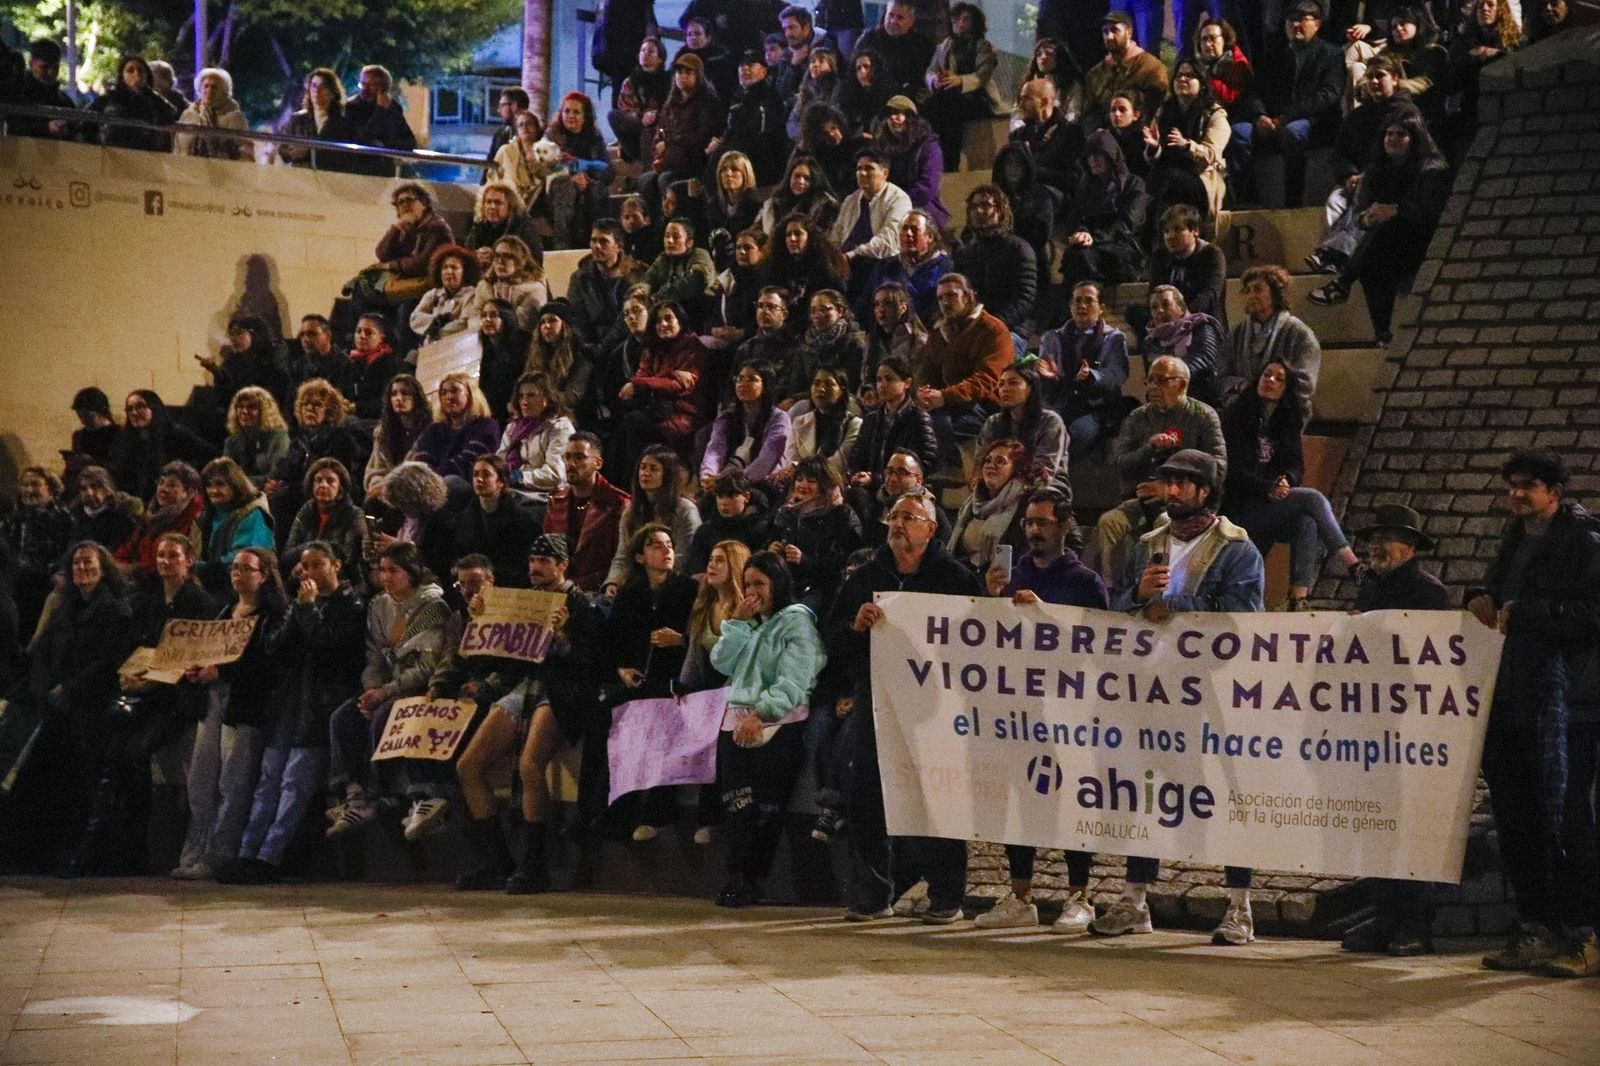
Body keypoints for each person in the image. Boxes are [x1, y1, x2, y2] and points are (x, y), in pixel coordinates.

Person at [1096, 450, 1264, 942]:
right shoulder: (1146, 544)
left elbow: (1241, 616)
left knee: (1225, 793)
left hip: (1213, 692)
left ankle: (1240, 903)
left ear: (1205, 491)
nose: (1171, 492)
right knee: (1145, 790)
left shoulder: (1237, 549)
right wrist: (1135, 596)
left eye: (1183, 484)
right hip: (1152, 688)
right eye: (1167, 483)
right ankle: (1134, 897)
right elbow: (1119, 610)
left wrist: (1171, 603)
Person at [1468, 451, 1600, 978]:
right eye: (1512, 487)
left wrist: (1534, 614)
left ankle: (1585, 934)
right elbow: (1497, 590)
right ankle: (1538, 924)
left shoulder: (1584, 542)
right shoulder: (1516, 537)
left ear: (1554, 491)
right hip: (1514, 698)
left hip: (1570, 707)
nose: (1517, 495)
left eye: (1528, 487)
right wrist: (1480, 596)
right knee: (1518, 815)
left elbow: (1593, 617)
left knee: (1571, 821)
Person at [828, 488, 982, 920]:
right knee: (867, 799)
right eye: (894, 516)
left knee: (939, 796)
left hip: (938, 710)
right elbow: (833, 640)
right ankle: (874, 894)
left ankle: (947, 895)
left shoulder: (954, 578)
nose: (897, 524)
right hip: (877, 704)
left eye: (909, 518)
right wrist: (854, 626)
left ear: (931, 529)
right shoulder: (864, 577)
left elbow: (980, 640)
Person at [975, 488, 1107, 931]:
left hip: (1069, 710)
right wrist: (991, 599)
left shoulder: (1085, 582)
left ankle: (1079, 894)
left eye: (1042, 523)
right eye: (1029, 523)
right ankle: (1020, 895)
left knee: (1070, 799)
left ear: (1065, 526)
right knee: (1020, 797)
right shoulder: (1011, 575)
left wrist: (1045, 614)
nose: (1033, 531)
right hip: (1020, 708)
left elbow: (1102, 644)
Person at [451, 534, 606, 892]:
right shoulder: (522, 601)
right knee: (468, 766)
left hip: (560, 692)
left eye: (544, 561)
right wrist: (479, 621)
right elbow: (497, 658)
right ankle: (498, 859)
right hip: (524, 687)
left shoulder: (581, 603)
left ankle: (535, 865)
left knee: (529, 764)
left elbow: (592, 662)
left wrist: (565, 636)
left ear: (562, 565)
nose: (535, 568)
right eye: (532, 561)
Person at [1337, 505, 1451, 955]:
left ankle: (1413, 922)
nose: (1375, 547)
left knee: (1410, 821)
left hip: (1411, 728)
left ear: (1410, 547)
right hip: (1371, 724)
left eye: (1387, 537)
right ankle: (1386, 914)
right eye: (1373, 537)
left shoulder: (1429, 593)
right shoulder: (1371, 588)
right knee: (1377, 819)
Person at [67, 533, 214, 876]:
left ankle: (135, 845)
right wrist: (132, 676)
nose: (165, 562)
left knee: (135, 753)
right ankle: (117, 845)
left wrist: (150, 681)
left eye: (173, 555)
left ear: (188, 560)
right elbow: (138, 647)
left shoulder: (201, 603)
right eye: (161, 555)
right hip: (148, 694)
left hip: (177, 697)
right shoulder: (149, 603)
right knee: (113, 749)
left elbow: (189, 656)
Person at [221, 541, 365, 883]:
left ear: (336, 566)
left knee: (294, 784)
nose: (310, 572)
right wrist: (299, 611)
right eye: (305, 566)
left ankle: (270, 857)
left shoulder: (352, 605)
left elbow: (329, 648)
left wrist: (307, 610)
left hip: (320, 706)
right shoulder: (300, 604)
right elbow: (276, 648)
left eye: (318, 565)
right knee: (268, 780)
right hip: (289, 704)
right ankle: (247, 852)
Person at [5, 542, 133, 874]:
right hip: (55, 706)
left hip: (88, 706)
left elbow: (107, 661)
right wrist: (44, 687)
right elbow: (44, 652)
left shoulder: (116, 611)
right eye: (76, 563)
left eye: (89, 563)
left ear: (103, 568)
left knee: (79, 782)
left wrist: (70, 688)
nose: (82, 569)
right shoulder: (63, 608)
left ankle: (73, 853)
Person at [708, 551, 828, 905]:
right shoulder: (752, 623)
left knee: (764, 810)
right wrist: (739, 624)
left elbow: (796, 678)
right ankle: (736, 875)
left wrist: (762, 713)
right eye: (747, 584)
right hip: (734, 723)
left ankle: (749, 879)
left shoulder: (796, 623)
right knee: (736, 805)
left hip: (776, 726)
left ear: (778, 584)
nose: (752, 591)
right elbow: (722, 663)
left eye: (760, 583)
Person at [324, 542, 453, 841]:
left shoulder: (432, 606)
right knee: (343, 717)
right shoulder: (379, 605)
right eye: (382, 570)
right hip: (385, 686)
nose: (386, 576)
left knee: (385, 716)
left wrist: (386, 692)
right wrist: (371, 690)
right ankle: (355, 794)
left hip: (418, 688)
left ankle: (380, 793)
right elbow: (374, 655)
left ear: (411, 572)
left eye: (394, 570)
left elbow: (427, 665)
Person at [173, 545, 288, 879]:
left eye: (246, 569)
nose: (238, 574)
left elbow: (265, 665)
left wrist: (221, 672)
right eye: (235, 567)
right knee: (200, 778)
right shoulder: (226, 610)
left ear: (264, 575)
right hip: (215, 701)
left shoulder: (271, 616)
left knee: (233, 782)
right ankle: (197, 849)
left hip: (245, 705)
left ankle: (221, 854)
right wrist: (198, 668)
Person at [1221, 360, 1359, 607]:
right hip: (1240, 506)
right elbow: (1232, 471)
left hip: (1269, 504)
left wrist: (1286, 479)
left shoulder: (1287, 421)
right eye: (1267, 375)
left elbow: (1296, 465)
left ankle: (1298, 599)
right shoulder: (1235, 416)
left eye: (1279, 378)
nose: (1270, 381)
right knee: (1312, 499)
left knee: (1306, 522)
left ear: (1286, 388)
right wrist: (1268, 488)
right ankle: (1353, 564)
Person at [1308, 111, 1450, 343]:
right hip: (1385, 242)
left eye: (1400, 134)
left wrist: (1396, 210)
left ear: (1414, 138)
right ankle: (1382, 334)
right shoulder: (1376, 170)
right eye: (1389, 134)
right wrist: (1368, 218)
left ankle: (1343, 282)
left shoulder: (1432, 168)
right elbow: (1359, 216)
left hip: (1422, 237)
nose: (1392, 139)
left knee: (1385, 233)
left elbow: (1432, 210)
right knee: (1375, 261)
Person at [1090, 356, 1226, 583]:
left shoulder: (1203, 416)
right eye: (1149, 381)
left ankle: (1164, 593)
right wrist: (1148, 448)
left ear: (1181, 384)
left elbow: (1218, 468)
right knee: (1109, 522)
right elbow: (1121, 464)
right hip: (1141, 501)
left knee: (1165, 523)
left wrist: (1170, 489)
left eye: (1161, 381)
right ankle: (1112, 592)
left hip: (1189, 504)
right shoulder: (1137, 418)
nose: (1153, 387)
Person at [606, 523, 699, 839]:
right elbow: (614, 641)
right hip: (638, 681)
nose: (667, 550)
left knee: (664, 717)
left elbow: (701, 636)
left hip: (675, 678)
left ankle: (658, 813)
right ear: (640, 556)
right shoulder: (629, 593)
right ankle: (620, 815)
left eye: (670, 544)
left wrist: (680, 640)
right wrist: (622, 669)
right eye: (657, 545)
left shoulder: (688, 589)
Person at [1232, 1, 1345, 208]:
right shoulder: (1274, 54)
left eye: (1303, 19)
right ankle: (1245, 199)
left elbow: (1329, 94)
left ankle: (1293, 203)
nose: (1296, 25)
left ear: (1317, 24)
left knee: (1293, 132)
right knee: (1240, 132)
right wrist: (1259, 116)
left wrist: (1287, 117)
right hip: (1273, 120)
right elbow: (1254, 90)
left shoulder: (1331, 54)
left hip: (1313, 122)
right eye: (1291, 20)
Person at [914, 273, 1015, 465]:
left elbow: (987, 380)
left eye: (951, 296)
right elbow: (926, 369)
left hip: (984, 405)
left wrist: (944, 396)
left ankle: (951, 469)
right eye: (940, 298)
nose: (945, 302)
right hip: (947, 401)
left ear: (968, 297)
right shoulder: (939, 331)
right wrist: (925, 393)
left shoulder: (993, 329)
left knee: (940, 425)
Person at [335, 184, 454, 336]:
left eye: (410, 200)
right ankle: (366, 337)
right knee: (361, 285)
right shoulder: (408, 227)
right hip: (408, 281)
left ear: (424, 204)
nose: (404, 205)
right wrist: (396, 229)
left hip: (428, 285)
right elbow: (382, 253)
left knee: (405, 307)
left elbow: (422, 264)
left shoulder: (436, 227)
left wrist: (389, 266)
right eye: (400, 202)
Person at [615, 301, 714, 469]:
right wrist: (670, 374)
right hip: (657, 410)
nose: (663, 325)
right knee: (621, 431)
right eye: (658, 321)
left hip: (685, 413)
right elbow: (643, 375)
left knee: (636, 427)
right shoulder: (651, 349)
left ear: (680, 321)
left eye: (669, 319)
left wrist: (641, 382)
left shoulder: (693, 348)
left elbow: (679, 386)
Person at [1219, 264, 1322, 420]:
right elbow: (1221, 374)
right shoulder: (1236, 333)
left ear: (1275, 293)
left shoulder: (1300, 334)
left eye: (1258, 289)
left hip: (1284, 415)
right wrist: (1243, 388)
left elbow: (1304, 385)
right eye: (1248, 290)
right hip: (1242, 410)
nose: (1251, 295)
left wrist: (1269, 393)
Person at [266, 379, 365, 536]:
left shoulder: (341, 439)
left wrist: (288, 489)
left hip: (330, 497)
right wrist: (274, 483)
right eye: (306, 404)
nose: (310, 409)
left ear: (329, 412)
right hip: (298, 495)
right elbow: (284, 470)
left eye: (317, 405)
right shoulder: (299, 439)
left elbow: (340, 482)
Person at [767, 455, 864, 613]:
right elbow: (774, 539)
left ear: (825, 484)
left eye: (811, 481)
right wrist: (772, 550)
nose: (803, 485)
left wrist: (804, 560)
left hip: (823, 592)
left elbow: (844, 563)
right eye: (799, 479)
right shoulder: (788, 513)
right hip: (788, 585)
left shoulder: (842, 514)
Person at [1058, 130, 1150, 292]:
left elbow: (1128, 223)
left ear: (1110, 155)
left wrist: (1095, 237)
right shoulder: (1085, 187)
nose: (1092, 160)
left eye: (1097, 155)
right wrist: (1081, 233)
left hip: (1121, 245)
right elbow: (1077, 217)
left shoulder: (1133, 184)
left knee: (1082, 257)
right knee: (1076, 254)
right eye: (1089, 156)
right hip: (1090, 246)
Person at [1144, 57, 1230, 226]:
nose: (1182, 79)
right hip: (1167, 173)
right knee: (1156, 180)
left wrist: (1188, 145)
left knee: (1168, 182)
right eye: (1179, 76)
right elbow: (1155, 157)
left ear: (1202, 82)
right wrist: (1154, 148)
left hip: (1200, 176)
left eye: (1189, 75)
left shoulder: (1214, 114)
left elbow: (1212, 155)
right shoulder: (1164, 111)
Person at [604, 446, 702, 594]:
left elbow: (684, 558)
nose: (645, 473)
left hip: (674, 585)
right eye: (642, 468)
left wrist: (652, 574)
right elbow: (623, 556)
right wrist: (612, 582)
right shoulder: (630, 512)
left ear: (668, 474)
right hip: (638, 584)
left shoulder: (686, 510)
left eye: (653, 468)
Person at [544, 432, 632, 593]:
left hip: (599, 590)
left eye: (579, 457)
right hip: (558, 589)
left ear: (597, 463)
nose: (571, 463)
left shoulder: (619, 503)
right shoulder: (555, 501)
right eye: (567, 457)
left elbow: (622, 557)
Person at [643, 54, 725, 217]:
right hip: (671, 161)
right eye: (679, 72)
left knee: (665, 180)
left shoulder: (707, 102)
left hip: (694, 164)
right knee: (646, 180)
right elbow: (662, 131)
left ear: (698, 76)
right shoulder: (671, 103)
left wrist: (671, 142)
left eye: (688, 73)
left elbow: (703, 137)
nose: (682, 76)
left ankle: (676, 224)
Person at [921, 3, 1000, 170]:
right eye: (957, 19)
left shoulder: (983, 46)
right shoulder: (947, 44)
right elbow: (931, 70)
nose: (959, 23)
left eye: (965, 19)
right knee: (933, 104)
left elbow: (982, 76)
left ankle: (950, 161)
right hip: (950, 95)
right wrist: (936, 80)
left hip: (977, 97)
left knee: (947, 107)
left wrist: (960, 81)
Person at [830, 151, 915, 301]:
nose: (862, 173)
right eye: (858, 168)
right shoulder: (851, 200)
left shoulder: (899, 199)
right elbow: (836, 234)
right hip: (844, 264)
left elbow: (888, 242)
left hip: (878, 265)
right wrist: (835, 256)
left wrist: (851, 256)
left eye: (869, 168)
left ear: (884, 173)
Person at [849, 357, 940, 493]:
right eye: (879, 380)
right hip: (870, 487)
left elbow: (923, 463)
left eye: (889, 379)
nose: (882, 385)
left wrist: (876, 479)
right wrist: (860, 474)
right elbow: (858, 454)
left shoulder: (919, 419)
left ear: (907, 383)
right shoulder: (871, 419)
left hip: (903, 490)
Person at [1136, 204, 1228, 339]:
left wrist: (1179, 318)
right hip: (1168, 319)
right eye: (1166, 231)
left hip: (1200, 322)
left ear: (1195, 231)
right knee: (1135, 313)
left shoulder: (1211, 254)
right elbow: (1153, 293)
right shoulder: (1160, 256)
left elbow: (1209, 296)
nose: (1170, 236)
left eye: (1178, 229)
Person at [953, 185, 1038, 329]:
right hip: (973, 328)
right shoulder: (964, 254)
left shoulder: (1019, 249)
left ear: (1000, 210)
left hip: (1010, 329)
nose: (978, 211)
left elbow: (1025, 300)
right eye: (974, 206)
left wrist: (993, 325)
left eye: (986, 205)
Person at [976, 363, 1070, 493]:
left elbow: (1044, 470)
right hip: (1000, 485)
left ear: (1030, 388)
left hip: (1044, 486)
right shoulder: (993, 422)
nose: (1005, 389)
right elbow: (980, 464)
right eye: (1001, 384)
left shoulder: (1050, 421)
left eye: (1013, 383)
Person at [701, 360, 793, 490]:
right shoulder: (727, 417)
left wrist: (729, 483)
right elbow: (715, 449)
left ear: (765, 385)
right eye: (740, 379)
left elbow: (767, 460)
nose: (743, 384)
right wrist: (707, 475)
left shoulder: (779, 419)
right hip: (726, 482)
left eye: (752, 379)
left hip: (764, 484)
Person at [453, 455, 543, 587]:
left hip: (507, 587)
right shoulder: (465, 518)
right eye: (476, 474)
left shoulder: (523, 520)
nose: (479, 479)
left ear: (501, 482)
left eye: (486, 475)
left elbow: (523, 565)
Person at [109, 390, 213, 503]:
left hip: (174, 504)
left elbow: (210, 456)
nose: (134, 412)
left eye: (140, 407)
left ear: (154, 408)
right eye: (130, 409)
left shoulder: (175, 434)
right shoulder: (125, 440)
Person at [948, 438, 1030, 572]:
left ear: (1016, 469)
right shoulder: (971, 503)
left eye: (1000, 461)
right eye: (988, 460)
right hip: (966, 576)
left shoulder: (1024, 507)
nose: (991, 465)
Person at [544, 92, 614, 249]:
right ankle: (562, 246)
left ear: (585, 116)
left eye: (576, 112)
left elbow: (608, 172)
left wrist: (586, 176)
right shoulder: (551, 136)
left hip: (587, 185)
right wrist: (571, 176)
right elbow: (544, 169)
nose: (570, 116)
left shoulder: (594, 137)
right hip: (557, 186)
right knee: (566, 187)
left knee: (596, 189)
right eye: (566, 111)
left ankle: (598, 243)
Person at [408, 373, 501, 491]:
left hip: (468, 483)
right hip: (431, 483)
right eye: (444, 393)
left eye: (455, 391)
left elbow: (470, 460)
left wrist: (433, 480)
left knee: (450, 482)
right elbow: (422, 458)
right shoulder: (434, 429)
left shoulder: (486, 425)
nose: (449, 397)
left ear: (470, 394)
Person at [497, 372, 576, 510]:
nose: (524, 402)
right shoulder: (512, 427)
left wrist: (518, 477)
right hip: (513, 490)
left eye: (531, 395)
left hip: (547, 497)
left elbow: (555, 474)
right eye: (521, 396)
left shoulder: (559, 428)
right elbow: (499, 462)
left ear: (547, 398)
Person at [282, 456, 368, 582]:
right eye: (318, 480)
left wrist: (309, 561)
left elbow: (348, 560)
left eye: (330, 481)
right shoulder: (306, 511)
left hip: (340, 582)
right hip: (303, 578)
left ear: (341, 488)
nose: (323, 485)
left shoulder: (354, 514)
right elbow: (286, 556)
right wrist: (310, 554)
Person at [198, 457, 276, 594]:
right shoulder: (210, 514)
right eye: (208, 485)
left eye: (220, 484)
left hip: (247, 589)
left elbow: (245, 560)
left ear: (235, 484)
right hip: (216, 583)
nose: (213, 490)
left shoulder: (253, 515)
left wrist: (200, 569)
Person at [117, 462, 207, 577]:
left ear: (189, 492)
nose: (163, 489)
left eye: (172, 485)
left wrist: (133, 570)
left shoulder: (194, 521)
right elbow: (128, 549)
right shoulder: (151, 516)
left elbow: (178, 565)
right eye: (161, 483)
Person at [712, 52, 789, 187]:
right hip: (739, 154)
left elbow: (764, 137)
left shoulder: (769, 98)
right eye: (742, 65)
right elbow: (732, 130)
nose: (745, 69)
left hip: (761, 163)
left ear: (764, 71)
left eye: (750, 65)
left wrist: (729, 149)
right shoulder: (738, 96)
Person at [861, 210, 951, 325]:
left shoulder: (945, 268)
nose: (908, 234)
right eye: (904, 229)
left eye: (914, 230)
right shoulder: (885, 266)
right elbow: (865, 304)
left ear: (930, 236)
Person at [872, 97, 950, 228]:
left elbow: (927, 187)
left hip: (922, 210)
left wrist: (896, 203)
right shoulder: (883, 148)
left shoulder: (929, 146)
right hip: (890, 210)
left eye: (898, 113)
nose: (892, 118)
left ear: (910, 118)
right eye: (889, 114)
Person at [1143, 285, 1225, 407]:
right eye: (1154, 307)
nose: (1159, 311)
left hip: (1200, 396)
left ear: (1181, 308)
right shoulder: (1150, 341)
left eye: (1166, 305)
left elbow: (1204, 359)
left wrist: (1172, 377)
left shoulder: (1201, 327)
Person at [1082, 11, 1170, 125]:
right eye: (1105, 32)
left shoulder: (1151, 68)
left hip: (1137, 136)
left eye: (1114, 30)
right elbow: (1089, 113)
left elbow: (1154, 111)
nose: (1109, 36)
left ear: (1129, 32)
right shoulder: (1096, 73)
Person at [1008, 78, 1085, 198]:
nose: (1020, 104)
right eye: (1020, 99)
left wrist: (1034, 171)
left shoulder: (1070, 132)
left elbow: (1074, 178)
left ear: (1044, 102)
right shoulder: (1020, 134)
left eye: (1026, 98)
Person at [200, 316, 293, 416]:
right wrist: (215, 371)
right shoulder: (234, 360)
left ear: (254, 333)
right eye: (231, 334)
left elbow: (277, 390)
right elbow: (226, 396)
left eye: (239, 333)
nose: (233, 338)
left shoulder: (274, 354)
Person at [88, 55, 178, 152]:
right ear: (122, 75)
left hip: (144, 154)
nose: (136, 74)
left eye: (140, 70)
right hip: (113, 152)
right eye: (130, 70)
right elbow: (88, 123)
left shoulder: (151, 99)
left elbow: (170, 114)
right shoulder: (108, 99)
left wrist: (147, 91)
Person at [786, 366, 862, 479]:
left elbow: (839, 463)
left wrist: (805, 472)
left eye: (829, 384)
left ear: (842, 390)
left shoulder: (854, 424)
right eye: (816, 384)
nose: (821, 389)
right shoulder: (800, 422)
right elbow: (791, 459)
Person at [364, 374, 432, 495]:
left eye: (405, 393)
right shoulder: (383, 433)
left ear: (416, 397)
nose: (398, 398)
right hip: (389, 489)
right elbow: (374, 470)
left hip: (419, 487)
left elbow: (423, 469)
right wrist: (380, 484)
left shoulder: (429, 429)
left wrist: (388, 484)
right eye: (394, 394)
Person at [852, 0, 935, 99]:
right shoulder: (869, 40)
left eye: (900, 18)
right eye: (890, 15)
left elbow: (923, 81)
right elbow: (853, 71)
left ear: (911, 22)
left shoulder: (922, 46)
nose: (893, 21)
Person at [642, 219, 718, 325]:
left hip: (701, 315)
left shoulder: (700, 255)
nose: (670, 240)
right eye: (667, 236)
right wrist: (640, 294)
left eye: (676, 237)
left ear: (689, 243)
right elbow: (648, 279)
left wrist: (658, 298)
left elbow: (697, 280)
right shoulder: (663, 258)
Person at [344, 64, 417, 174]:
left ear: (383, 89)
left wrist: (386, 145)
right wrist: (380, 111)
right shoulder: (351, 107)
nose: (364, 89)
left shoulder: (393, 108)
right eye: (362, 84)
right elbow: (363, 139)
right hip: (358, 169)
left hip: (385, 170)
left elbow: (409, 141)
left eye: (370, 85)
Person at [278, 67, 358, 169]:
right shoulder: (297, 120)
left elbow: (348, 157)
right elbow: (283, 151)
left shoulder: (344, 124)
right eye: (314, 86)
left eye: (323, 86)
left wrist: (310, 152)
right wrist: (297, 153)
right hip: (301, 178)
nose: (317, 90)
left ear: (332, 92)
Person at [767, 217, 851, 314]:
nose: (792, 239)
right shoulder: (778, 267)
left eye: (798, 234)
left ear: (810, 237)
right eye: (788, 234)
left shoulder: (826, 267)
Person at [609, 37, 671, 165]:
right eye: (643, 50)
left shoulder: (668, 82)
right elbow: (624, 107)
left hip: (658, 129)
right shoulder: (630, 81)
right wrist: (641, 116)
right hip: (636, 126)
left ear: (660, 58)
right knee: (614, 115)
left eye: (650, 51)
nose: (645, 54)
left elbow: (670, 107)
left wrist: (654, 116)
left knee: (648, 129)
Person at [409, 243, 484, 346]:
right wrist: (437, 321)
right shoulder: (433, 294)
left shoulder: (472, 294)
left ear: (465, 272)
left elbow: (465, 324)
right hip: (430, 350)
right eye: (445, 267)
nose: (448, 271)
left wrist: (434, 329)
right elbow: (415, 318)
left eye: (454, 268)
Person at [465, 183, 545, 277]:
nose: (492, 207)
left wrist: (496, 258)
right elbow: (466, 254)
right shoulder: (478, 226)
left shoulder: (524, 227)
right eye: (488, 202)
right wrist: (475, 257)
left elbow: (534, 264)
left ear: (510, 206)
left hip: (520, 282)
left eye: (498, 203)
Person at [341, 314, 405, 423]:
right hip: (353, 417)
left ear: (381, 337)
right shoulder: (350, 361)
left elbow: (388, 403)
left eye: (368, 332)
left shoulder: (390, 363)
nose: (362, 336)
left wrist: (356, 407)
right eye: (358, 331)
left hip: (381, 421)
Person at [474, 235, 547, 331]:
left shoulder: (535, 289)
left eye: (507, 257)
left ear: (521, 260)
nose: (500, 261)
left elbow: (522, 325)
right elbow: (474, 319)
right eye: (497, 256)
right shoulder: (484, 286)